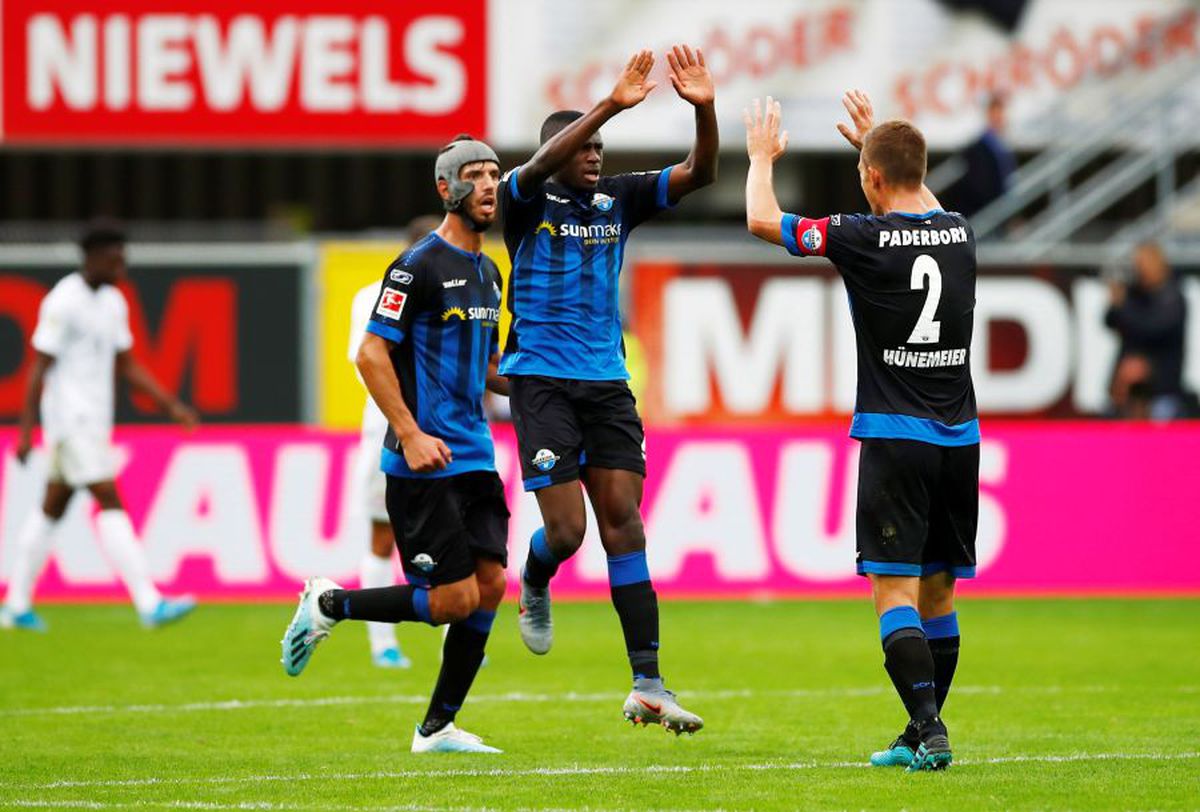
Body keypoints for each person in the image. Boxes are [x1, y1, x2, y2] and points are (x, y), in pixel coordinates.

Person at [745, 90, 979, 772]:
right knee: (939, 593)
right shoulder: (959, 230)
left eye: (864, 172)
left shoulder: (859, 235)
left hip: (894, 437)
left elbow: (762, 219)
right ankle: (920, 730)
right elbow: (921, 204)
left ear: (872, 177)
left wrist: (761, 158)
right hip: (960, 441)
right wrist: (878, 147)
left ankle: (929, 728)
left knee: (895, 593)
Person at [500, 46, 717, 734]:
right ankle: (536, 575)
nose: (596, 153)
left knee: (624, 521)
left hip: (606, 385)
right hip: (540, 382)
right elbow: (533, 167)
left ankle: (648, 681)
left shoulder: (616, 199)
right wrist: (611, 104)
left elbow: (699, 172)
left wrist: (703, 109)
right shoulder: (522, 197)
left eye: (602, 144)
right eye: (585, 144)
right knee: (567, 532)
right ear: (557, 149)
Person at [281, 136, 510, 754]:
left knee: (489, 588)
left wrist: (556, 387)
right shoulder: (418, 265)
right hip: (423, 459)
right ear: (446, 188)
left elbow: (489, 369)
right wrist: (409, 433)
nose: (489, 184)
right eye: (475, 175)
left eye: (495, 173)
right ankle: (330, 602)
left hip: (476, 453)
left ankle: (437, 728)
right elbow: (370, 352)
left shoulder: (489, 273)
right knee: (454, 599)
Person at [1, 221, 199, 631]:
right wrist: (25, 431)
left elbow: (127, 363)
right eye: (115, 258)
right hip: (70, 421)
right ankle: (150, 602)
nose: (121, 266)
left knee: (51, 508)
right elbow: (39, 367)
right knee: (108, 498)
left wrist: (171, 405)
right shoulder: (63, 301)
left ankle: (16, 604)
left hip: (92, 421)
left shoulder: (113, 301)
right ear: (92, 258)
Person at [346, 214, 440, 669]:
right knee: (383, 539)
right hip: (389, 433)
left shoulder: (456, 292)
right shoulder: (374, 297)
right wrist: (407, 425)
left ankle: (453, 641)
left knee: (450, 540)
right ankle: (382, 644)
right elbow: (367, 363)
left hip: (447, 434)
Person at [1105, 241, 1188, 420]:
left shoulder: (1172, 297)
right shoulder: (1134, 293)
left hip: (1162, 389)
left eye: (1142, 264)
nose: (1140, 270)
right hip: (1130, 392)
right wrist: (1115, 304)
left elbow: (1151, 329)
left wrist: (1123, 306)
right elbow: (1109, 322)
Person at [947, 94, 1016, 218]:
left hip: (998, 209)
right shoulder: (980, 147)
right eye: (995, 114)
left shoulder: (1002, 145)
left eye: (1000, 114)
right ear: (989, 115)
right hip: (985, 210)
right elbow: (978, 184)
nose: (999, 118)